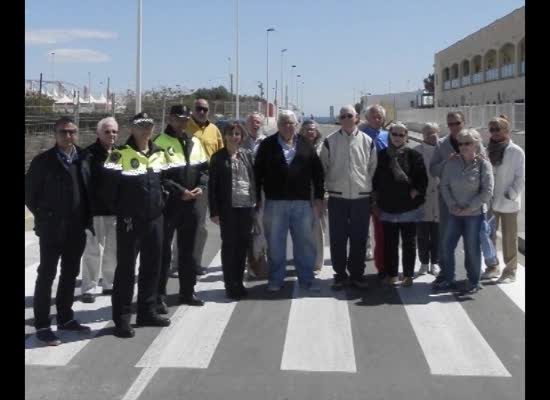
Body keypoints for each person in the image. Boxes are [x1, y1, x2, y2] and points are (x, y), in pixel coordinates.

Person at [25, 116, 93, 346]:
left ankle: (65, 318)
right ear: (55, 134)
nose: (68, 136)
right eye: (63, 132)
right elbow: (30, 195)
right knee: (46, 276)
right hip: (52, 229)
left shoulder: (84, 158)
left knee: (70, 274)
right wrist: (45, 217)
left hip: (76, 228)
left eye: (72, 131)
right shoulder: (42, 161)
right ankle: (42, 324)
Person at [102, 112, 171, 338]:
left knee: (152, 267)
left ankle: (146, 311)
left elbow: (165, 182)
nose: (145, 129)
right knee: (126, 271)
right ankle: (122, 319)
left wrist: (163, 202)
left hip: (155, 219)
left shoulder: (159, 153)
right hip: (131, 221)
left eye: (149, 125)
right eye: (140, 125)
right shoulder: (119, 154)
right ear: (131, 129)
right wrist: (125, 212)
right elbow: (109, 190)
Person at [254, 110, 325, 292]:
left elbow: (318, 173)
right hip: (275, 203)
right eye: (284, 122)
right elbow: (257, 173)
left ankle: (306, 278)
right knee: (276, 244)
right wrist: (256, 198)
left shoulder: (305, 145)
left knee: (304, 243)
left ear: (296, 125)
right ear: (278, 125)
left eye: (291, 123)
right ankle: (276, 279)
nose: (287, 126)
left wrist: (318, 197)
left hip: (302, 203)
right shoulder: (267, 145)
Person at [154, 105, 208, 310]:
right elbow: (160, 175)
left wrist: (201, 187)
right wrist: (179, 191)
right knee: (163, 253)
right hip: (169, 205)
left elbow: (204, 169)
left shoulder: (195, 141)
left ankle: (187, 291)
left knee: (188, 252)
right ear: (170, 118)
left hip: (191, 205)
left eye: (185, 118)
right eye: (178, 118)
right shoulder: (159, 142)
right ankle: (159, 295)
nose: (182, 122)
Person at [320, 106, 377, 290]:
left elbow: (372, 168)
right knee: (338, 238)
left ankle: (357, 274)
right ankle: (340, 275)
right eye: (342, 116)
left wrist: (367, 189)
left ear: (357, 118)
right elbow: (323, 168)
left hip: (361, 197)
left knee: (359, 238)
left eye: (349, 115)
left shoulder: (368, 141)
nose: (346, 118)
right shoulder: (330, 141)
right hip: (338, 198)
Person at [429, 111, 486, 284]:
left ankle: (473, 277)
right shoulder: (441, 144)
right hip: (448, 201)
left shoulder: (475, 141)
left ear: (464, 122)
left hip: (471, 202)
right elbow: (433, 170)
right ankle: (446, 274)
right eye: (450, 124)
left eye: (457, 123)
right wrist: (447, 161)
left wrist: (476, 203)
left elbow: (484, 166)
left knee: (471, 243)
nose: (453, 127)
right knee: (446, 239)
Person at [437, 129, 494, 294]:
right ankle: (448, 278)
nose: (463, 146)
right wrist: (452, 204)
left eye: (467, 143)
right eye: (460, 143)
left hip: (474, 216)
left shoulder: (484, 164)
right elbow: (444, 186)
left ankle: (474, 281)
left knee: (472, 248)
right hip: (454, 214)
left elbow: (487, 191)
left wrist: (470, 207)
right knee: (447, 246)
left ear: (476, 144)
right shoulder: (451, 162)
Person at [373, 123, 427, 287]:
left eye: (401, 135)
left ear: (406, 137)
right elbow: (375, 180)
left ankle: (409, 274)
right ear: (389, 135)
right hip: (388, 206)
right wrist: (375, 201)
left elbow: (423, 179)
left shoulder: (414, 155)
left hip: (408, 207)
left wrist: (416, 191)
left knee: (409, 243)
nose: (397, 138)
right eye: (394, 134)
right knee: (390, 242)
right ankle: (392, 274)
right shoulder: (381, 155)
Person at [209, 121, 256, 299]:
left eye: (237, 134)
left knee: (243, 246)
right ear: (225, 135)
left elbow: (254, 179)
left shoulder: (247, 155)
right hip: (228, 208)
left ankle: (239, 282)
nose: (234, 137)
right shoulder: (218, 158)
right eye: (231, 133)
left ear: (241, 137)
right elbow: (212, 186)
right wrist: (214, 211)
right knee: (229, 247)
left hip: (246, 207)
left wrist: (257, 201)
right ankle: (230, 285)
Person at [481, 115, 525, 283]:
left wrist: (512, 193)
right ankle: (492, 267)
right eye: (492, 129)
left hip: (508, 201)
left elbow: (521, 177)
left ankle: (510, 271)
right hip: (491, 200)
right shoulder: (487, 149)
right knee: (489, 235)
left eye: (497, 129)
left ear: (506, 130)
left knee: (509, 237)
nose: (494, 133)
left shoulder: (516, 151)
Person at [80, 117, 119, 303]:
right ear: (98, 133)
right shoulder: (88, 154)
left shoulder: (120, 153)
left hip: (115, 211)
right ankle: (88, 287)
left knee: (112, 251)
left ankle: (109, 284)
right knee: (92, 250)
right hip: (94, 211)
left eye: (114, 131)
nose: (111, 135)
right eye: (107, 131)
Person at [185, 98, 224, 276]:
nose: (202, 112)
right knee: (187, 224)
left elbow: (221, 154)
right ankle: (178, 264)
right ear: (193, 110)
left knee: (202, 227)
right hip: (192, 182)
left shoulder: (214, 129)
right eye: (199, 109)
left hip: (212, 181)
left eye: (205, 109)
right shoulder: (185, 127)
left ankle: (195, 263)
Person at [359, 104, 389, 277]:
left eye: (379, 117)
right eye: (373, 116)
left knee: (380, 224)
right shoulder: (361, 135)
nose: (377, 119)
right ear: (367, 118)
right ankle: (365, 249)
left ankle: (381, 259)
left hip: (383, 187)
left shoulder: (388, 136)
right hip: (364, 184)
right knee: (362, 221)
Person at [299, 120, 326, 273]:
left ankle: (317, 262)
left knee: (318, 228)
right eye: (307, 129)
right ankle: (304, 259)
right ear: (302, 131)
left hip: (319, 193)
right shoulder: (297, 146)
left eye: (313, 129)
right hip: (301, 193)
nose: (310, 132)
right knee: (302, 229)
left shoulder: (323, 147)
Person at [414, 123, 441, 276]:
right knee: (422, 234)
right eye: (428, 133)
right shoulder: (416, 152)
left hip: (439, 199)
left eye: (434, 132)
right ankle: (424, 263)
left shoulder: (444, 150)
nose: (432, 135)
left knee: (437, 233)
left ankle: (435, 262)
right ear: (423, 135)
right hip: (422, 200)